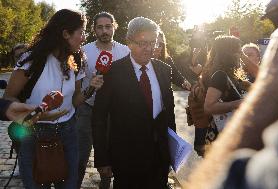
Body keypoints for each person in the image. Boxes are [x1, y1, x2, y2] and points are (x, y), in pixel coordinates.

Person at [185, 0, 278, 188]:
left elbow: (259, 76)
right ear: (229, 52)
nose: (241, 53)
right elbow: (208, 107)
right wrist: (239, 103)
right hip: (220, 135)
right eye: (237, 49)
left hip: (227, 131)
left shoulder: (231, 73)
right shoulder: (220, 75)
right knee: (221, 171)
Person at [4, 9, 103, 189]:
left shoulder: (78, 59)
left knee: (70, 185)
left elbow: (74, 101)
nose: (84, 38)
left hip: (68, 132)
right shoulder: (32, 60)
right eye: (81, 32)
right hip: (33, 134)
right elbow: (8, 97)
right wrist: (31, 113)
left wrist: (91, 89)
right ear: (65, 34)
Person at [92, 17, 176, 189]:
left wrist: (171, 151)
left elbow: (169, 114)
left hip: (158, 158)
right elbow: (99, 118)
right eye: (142, 43)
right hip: (126, 159)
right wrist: (102, 159)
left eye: (153, 42)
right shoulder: (112, 72)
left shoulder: (164, 70)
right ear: (129, 42)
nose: (149, 48)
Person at [76, 12, 129, 189]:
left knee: (109, 152)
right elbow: (75, 84)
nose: (104, 31)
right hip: (87, 108)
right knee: (81, 153)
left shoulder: (125, 51)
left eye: (108, 26)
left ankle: (105, 185)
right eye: (100, 27)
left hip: (114, 111)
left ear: (115, 27)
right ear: (94, 30)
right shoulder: (83, 51)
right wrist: (90, 86)